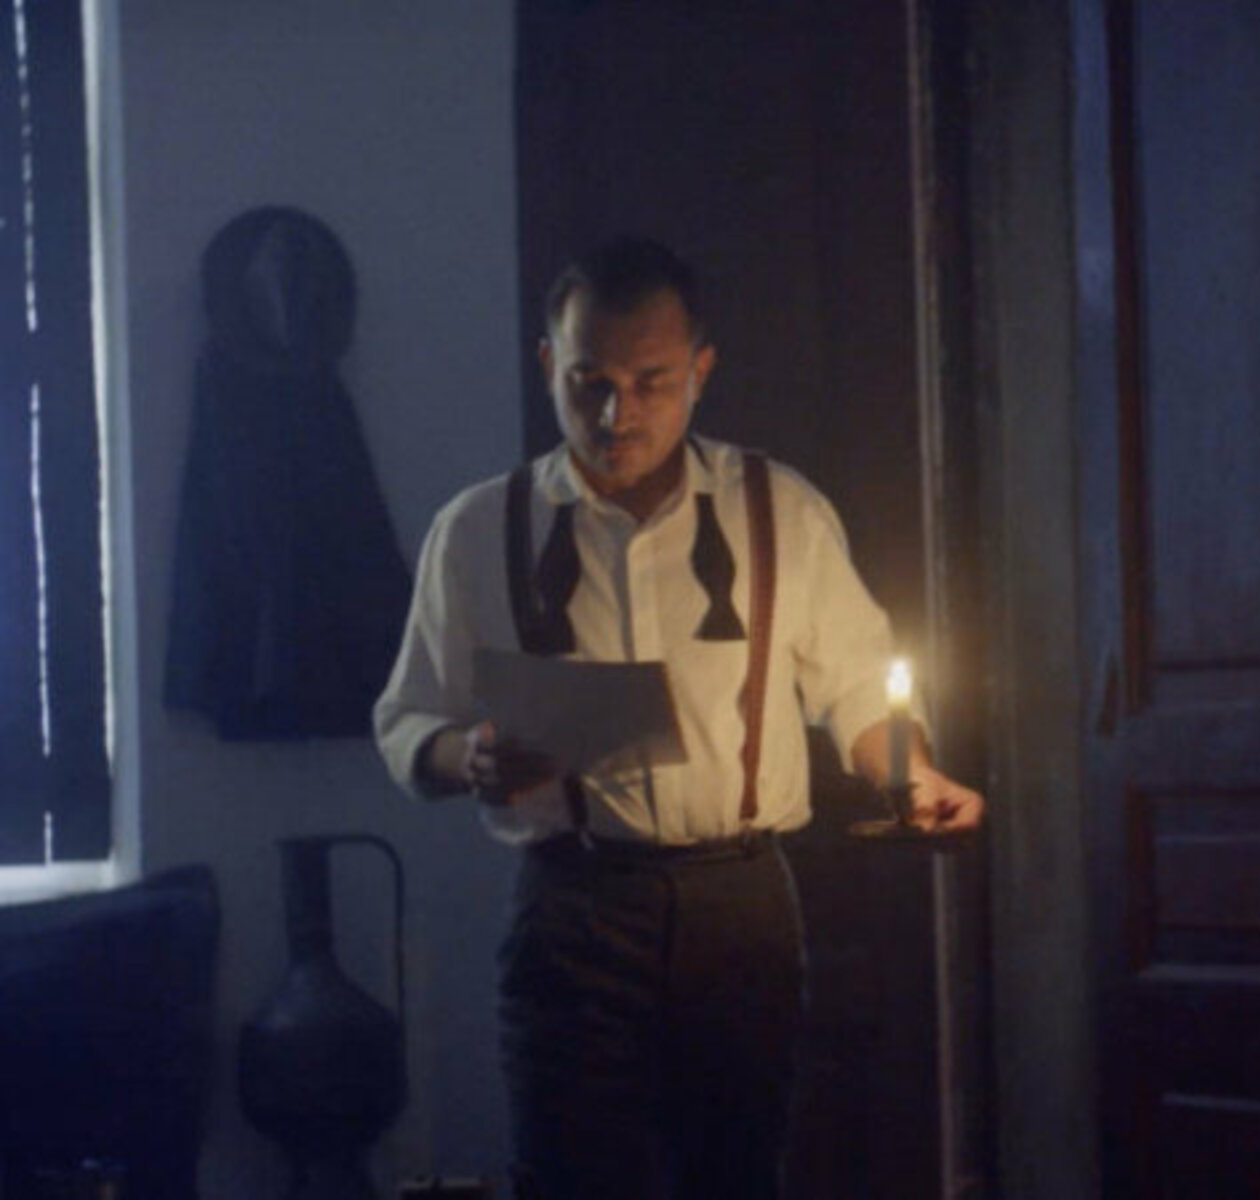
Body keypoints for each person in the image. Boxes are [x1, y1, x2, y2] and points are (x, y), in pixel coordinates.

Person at [374, 236, 983, 1199]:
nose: (616, 415)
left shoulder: (778, 510)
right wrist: (465, 757)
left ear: (701, 370)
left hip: (738, 905)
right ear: (548, 365)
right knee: (572, 1180)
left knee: (736, 1174)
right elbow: (408, 719)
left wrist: (911, 777)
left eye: (650, 383)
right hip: (572, 906)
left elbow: (858, 687)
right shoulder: (480, 529)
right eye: (589, 384)